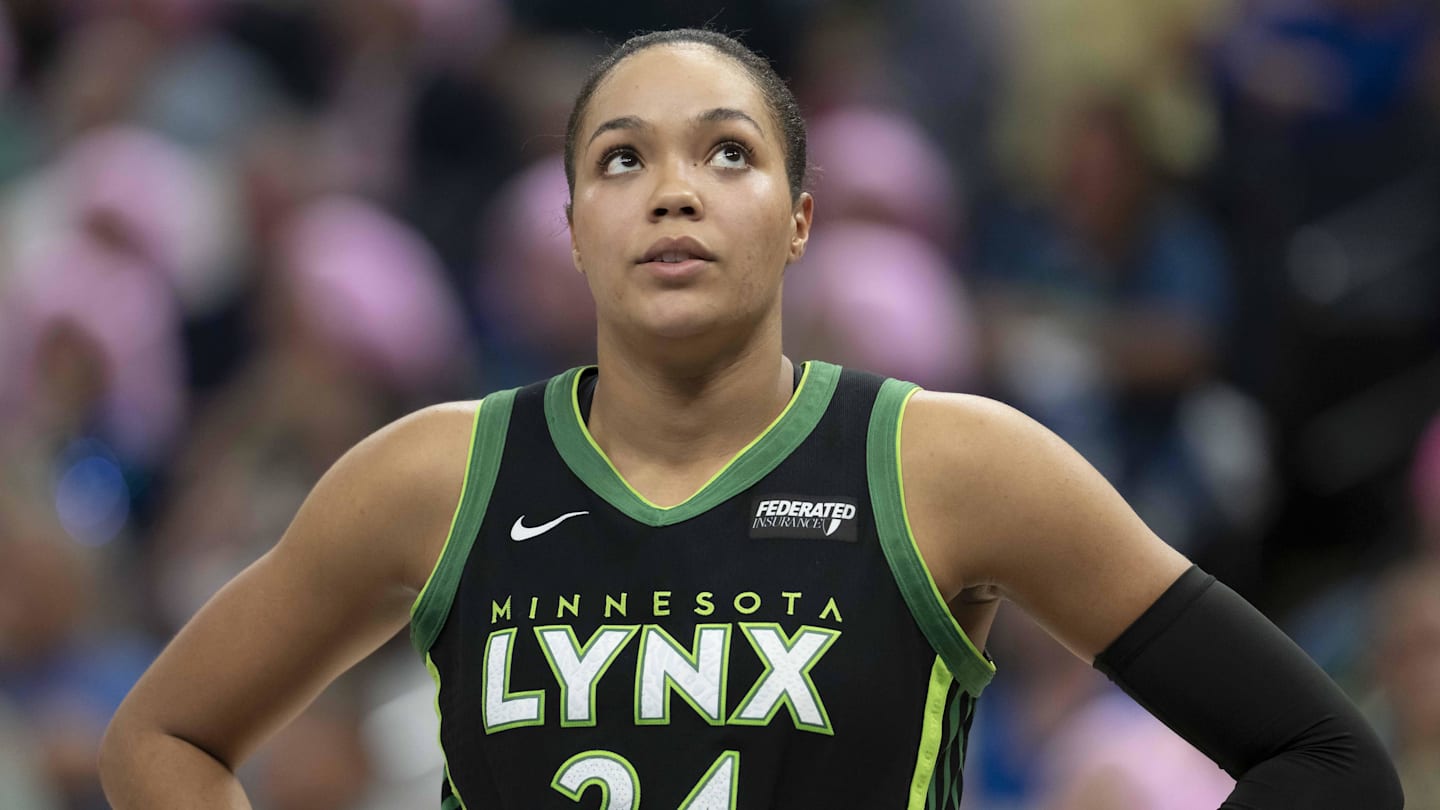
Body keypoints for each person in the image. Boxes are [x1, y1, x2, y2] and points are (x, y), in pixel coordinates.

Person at [99, 28, 1401, 809]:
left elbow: (1323, 758)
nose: (673, 191)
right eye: (622, 159)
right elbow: (161, 738)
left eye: (728, 152)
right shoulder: (433, 475)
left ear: (799, 222)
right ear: (572, 229)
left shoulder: (953, 464)